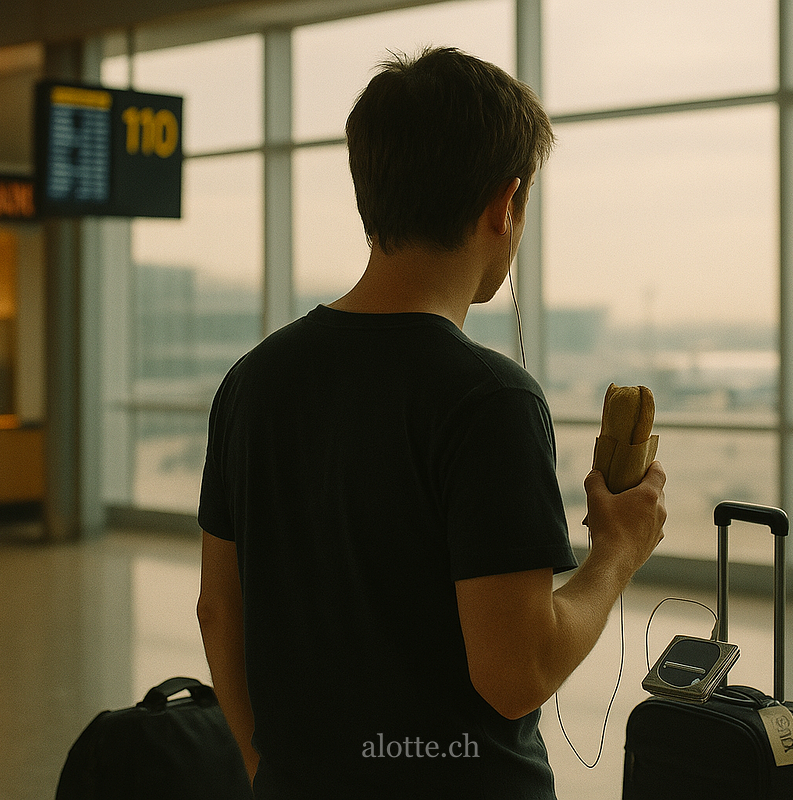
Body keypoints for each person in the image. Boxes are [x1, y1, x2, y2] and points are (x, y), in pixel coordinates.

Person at [197, 46, 667, 798]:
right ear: (503, 204)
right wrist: (618, 551)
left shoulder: (252, 381)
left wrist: (267, 769)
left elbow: (219, 610)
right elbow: (516, 673)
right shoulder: (487, 400)